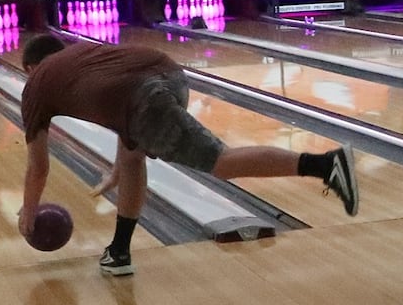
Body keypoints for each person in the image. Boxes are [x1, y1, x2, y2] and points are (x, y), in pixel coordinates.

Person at [18, 35, 357, 276]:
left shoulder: (37, 84)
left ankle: (326, 165)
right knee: (134, 158)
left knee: (220, 162)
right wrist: (118, 168)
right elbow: (119, 98)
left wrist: (29, 212)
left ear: (30, 68)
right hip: (169, 74)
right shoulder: (83, 55)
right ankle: (119, 252)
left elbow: (38, 167)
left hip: (142, 97)